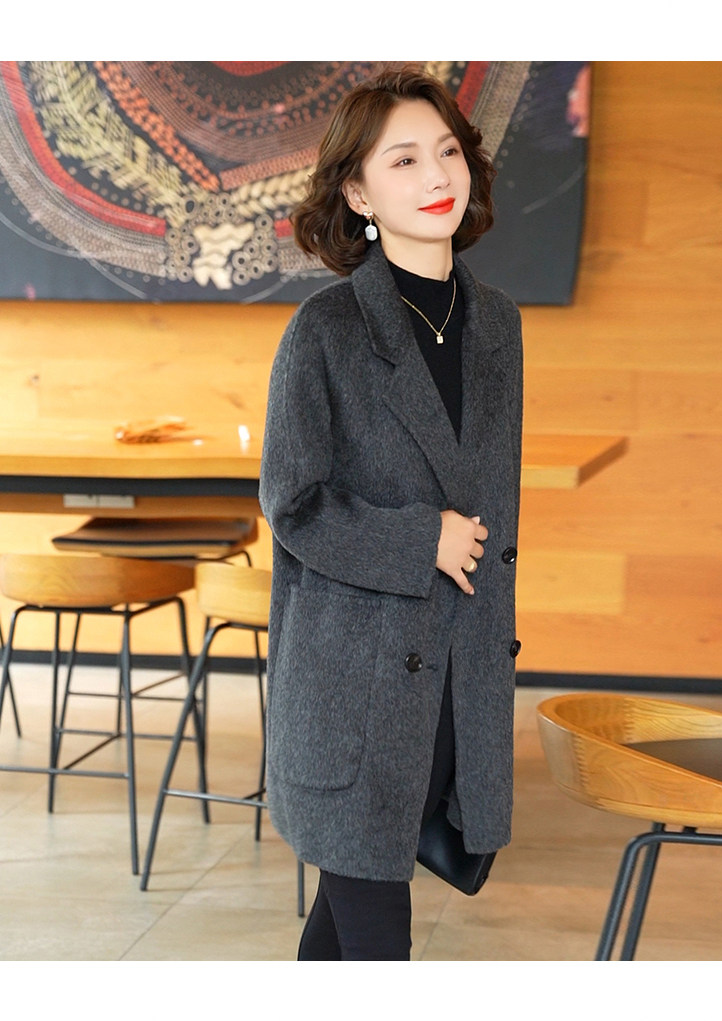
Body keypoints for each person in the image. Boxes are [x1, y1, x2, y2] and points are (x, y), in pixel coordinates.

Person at [259, 65, 523, 961]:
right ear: (358, 193)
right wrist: (423, 539)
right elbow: (293, 503)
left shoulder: (498, 326)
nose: (437, 175)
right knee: (378, 940)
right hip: (353, 688)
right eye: (403, 160)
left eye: (447, 151)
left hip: (456, 680)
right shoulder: (326, 330)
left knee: (342, 932)